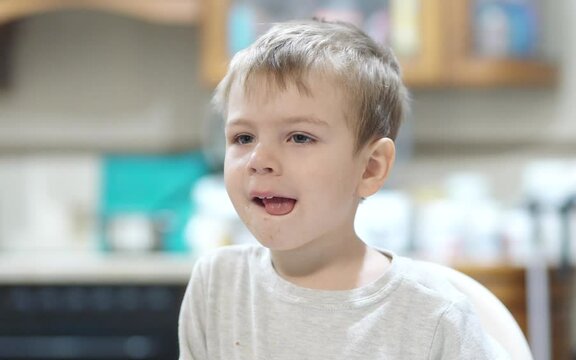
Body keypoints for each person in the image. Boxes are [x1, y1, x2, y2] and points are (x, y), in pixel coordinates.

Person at [178, 18, 508, 359]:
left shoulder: (434, 314)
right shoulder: (216, 284)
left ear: (370, 167)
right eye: (243, 138)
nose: (260, 160)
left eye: (300, 137)